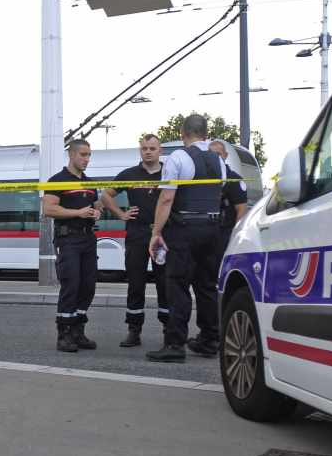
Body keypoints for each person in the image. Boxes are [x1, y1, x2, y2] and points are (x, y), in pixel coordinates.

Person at [147, 114, 226, 363]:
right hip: (212, 229)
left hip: (184, 230)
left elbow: (167, 198)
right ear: (206, 134)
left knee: (178, 285)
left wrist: (156, 232)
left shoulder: (178, 158)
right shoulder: (219, 161)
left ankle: (175, 343)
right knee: (207, 285)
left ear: (183, 133)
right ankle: (210, 339)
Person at [100, 134, 168, 348]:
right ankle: (134, 330)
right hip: (137, 235)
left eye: (152, 148)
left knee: (166, 284)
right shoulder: (129, 174)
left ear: (160, 151)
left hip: (162, 236)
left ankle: (169, 331)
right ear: (140, 151)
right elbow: (105, 195)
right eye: (144, 148)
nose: (148, 151)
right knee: (135, 283)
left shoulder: (170, 173)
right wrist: (121, 214)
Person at [43, 139, 101, 353]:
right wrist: (78, 213)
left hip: (88, 239)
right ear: (71, 155)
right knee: (71, 284)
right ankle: (64, 334)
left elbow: (97, 205)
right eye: (83, 155)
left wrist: (97, 212)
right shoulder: (56, 181)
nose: (86, 159)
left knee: (88, 286)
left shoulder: (89, 183)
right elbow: (48, 210)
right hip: (68, 240)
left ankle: (78, 329)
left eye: (89, 155)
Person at [208, 139, 249, 261]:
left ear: (225, 156)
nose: (215, 158)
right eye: (211, 154)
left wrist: (235, 236)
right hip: (205, 231)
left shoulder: (234, 179)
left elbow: (241, 209)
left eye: (218, 154)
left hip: (225, 231)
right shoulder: (201, 176)